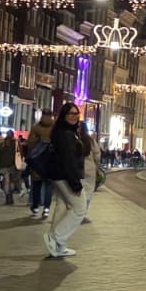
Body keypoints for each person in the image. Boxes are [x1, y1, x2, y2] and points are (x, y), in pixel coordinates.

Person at [44, 101, 87, 259]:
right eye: (71, 113)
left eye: (76, 114)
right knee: (80, 209)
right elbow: (68, 160)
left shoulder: (64, 131)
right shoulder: (66, 134)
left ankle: (59, 246)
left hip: (58, 175)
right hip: (64, 177)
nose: (75, 116)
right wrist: (75, 183)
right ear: (64, 116)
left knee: (62, 207)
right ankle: (56, 237)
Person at [25, 109, 54, 219]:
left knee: (36, 185)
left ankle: (35, 207)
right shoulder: (55, 127)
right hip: (51, 162)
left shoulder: (36, 128)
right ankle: (46, 209)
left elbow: (30, 144)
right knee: (49, 186)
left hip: (38, 161)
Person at [80, 120, 102, 218]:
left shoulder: (74, 138)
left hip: (77, 168)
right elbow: (97, 155)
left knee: (78, 190)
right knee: (88, 191)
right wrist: (96, 166)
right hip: (89, 168)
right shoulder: (90, 140)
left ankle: (79, 210)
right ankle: (84, 211)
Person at [0, 130, 18, 204]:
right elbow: (20, 154)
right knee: (12, 182)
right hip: (14, 166)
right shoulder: (16, 144)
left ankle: (8, 197)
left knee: (6, 182)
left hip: (3, 166)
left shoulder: (2, 144)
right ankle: (10, 196)